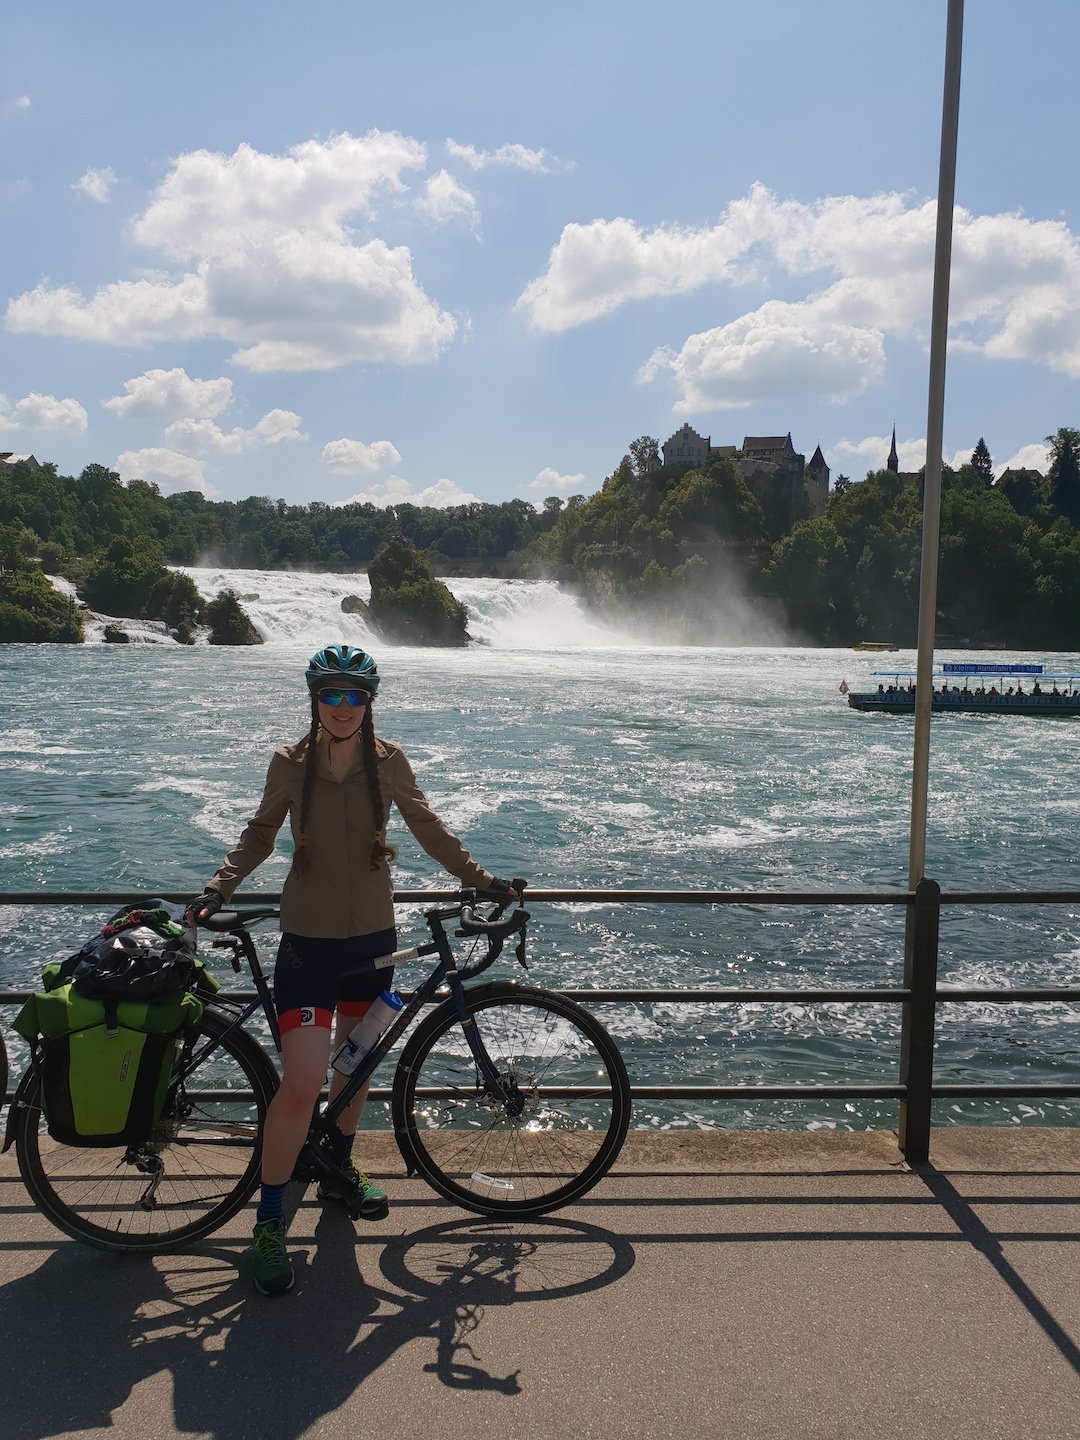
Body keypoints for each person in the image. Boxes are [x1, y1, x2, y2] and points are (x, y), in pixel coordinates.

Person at [185, 644, 517, 1297]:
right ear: (314, 699)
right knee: (305, 1080)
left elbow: (428, 828)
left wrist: (482, 881)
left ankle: (337, 1167)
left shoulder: (389, 762)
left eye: (354, 696)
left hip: (373, 934)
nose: (342, 707)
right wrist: (218, 889)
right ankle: (270, 1223)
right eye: (331, 695)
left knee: (356, 1064)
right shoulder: (289, 762)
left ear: (369, 701)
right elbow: (258, 834)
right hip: (307, 940)